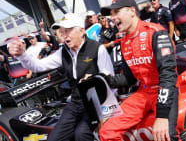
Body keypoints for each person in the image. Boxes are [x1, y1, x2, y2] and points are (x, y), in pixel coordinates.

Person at [8, 13, 114, 141]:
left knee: (82, 135)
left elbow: (110, 82)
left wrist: (106, 114)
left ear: (81, 31)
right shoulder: (63, 52)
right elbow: (38, 66)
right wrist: (22, 55)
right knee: (54, 138)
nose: (64, 34)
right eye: (62, 31)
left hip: (96, 104)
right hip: (75, 104)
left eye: (68, 30)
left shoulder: (98, 49)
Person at [99, 0, 179, 141]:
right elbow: (128, 78)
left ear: (131, 11)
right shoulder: (124, 42)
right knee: (107, 132)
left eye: (116, 12)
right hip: (143, 93)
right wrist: (102, 80)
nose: (112, 18)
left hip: (164, 89)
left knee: (167, 135)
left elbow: (168, 75)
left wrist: (162, 116)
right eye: (111, 14)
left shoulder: (156, 32)